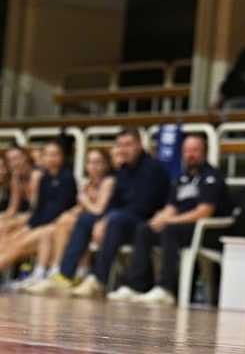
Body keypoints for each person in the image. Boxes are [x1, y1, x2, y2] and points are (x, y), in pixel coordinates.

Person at [107, 134, 232, 307]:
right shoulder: (181, 179)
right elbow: (171, 207)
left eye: (195, 150)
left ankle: (166, 289)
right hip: (179, 226)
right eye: (187, 151)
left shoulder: (212, 177)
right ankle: (136, 286)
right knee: (145, 229)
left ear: (204, 152)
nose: (190, 155)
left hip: (204, 231)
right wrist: (160, 218)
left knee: (169, 230)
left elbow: (204, 211)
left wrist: (171, 221)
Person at [42, 128, 169, 298]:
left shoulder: (153, 168)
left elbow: (143, 207)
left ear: (139, 145)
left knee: (115, 219)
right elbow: (113, 202)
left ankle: (98, 280)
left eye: (128, 145)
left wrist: (106, 220)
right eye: (120, 145)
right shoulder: (124, 169)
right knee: (85, 220)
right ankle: (65, 275)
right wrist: (101, 220)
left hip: (145, 224)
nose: (123, 149)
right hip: (121, 219)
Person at [26, 148, 115, 294]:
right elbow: (80, 207)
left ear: (106, 165)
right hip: (86, 221)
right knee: (61, 222)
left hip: (103, 222)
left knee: (68, 224)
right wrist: (69, 213)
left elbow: (99, 210)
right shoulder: (87, 184)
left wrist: (84, 201)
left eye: (98, 162)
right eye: (90, 162)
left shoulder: (108, 182)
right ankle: (57, 270)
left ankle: (62, 270)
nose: (93, 166)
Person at [0, 141, 77, 288]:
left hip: (56, 225)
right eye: (47, 155)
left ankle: (38, 274)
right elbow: (39, 210)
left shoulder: (66, 177)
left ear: (62, 157)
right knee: (12, 239)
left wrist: (31, 227)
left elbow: (58, 210)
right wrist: (29, 227)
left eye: (54, 154)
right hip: (43, 223)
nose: (50, 158)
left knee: (18, 244)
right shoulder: (45, 178)